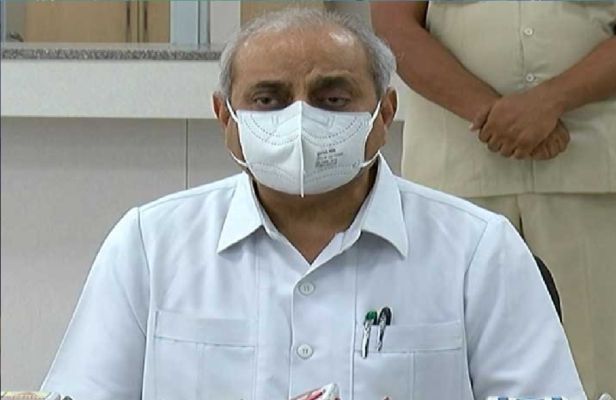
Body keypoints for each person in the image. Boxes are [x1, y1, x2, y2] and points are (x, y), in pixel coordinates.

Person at [41, 9, 585, 400]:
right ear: (226, 117)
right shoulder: (150, 244)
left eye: (332, 99)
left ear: (384, 113)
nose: (300, 119)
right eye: (269, 99)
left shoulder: (478, 249)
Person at [371, 2, 616, 398]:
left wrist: (549, 101)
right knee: (449, 358)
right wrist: (492, 114)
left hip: (589, 169)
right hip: (456, 170)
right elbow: (394, 25)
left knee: (599, 363)